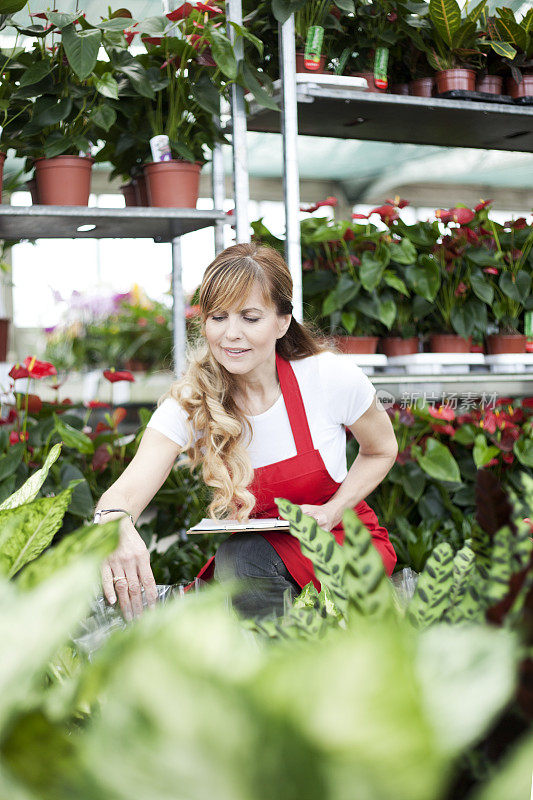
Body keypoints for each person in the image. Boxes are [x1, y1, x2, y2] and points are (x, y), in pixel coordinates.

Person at [95, 243, 398, 620]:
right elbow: (123, 493)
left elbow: (381, 450)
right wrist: (116, 524)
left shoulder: (328, 378)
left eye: (250, 318)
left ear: (282, 321)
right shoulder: (193, 402)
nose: (230, 334)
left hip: (339, 542)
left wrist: (333, 510)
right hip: (259, 564)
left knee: (242, 561)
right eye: (218, 317)